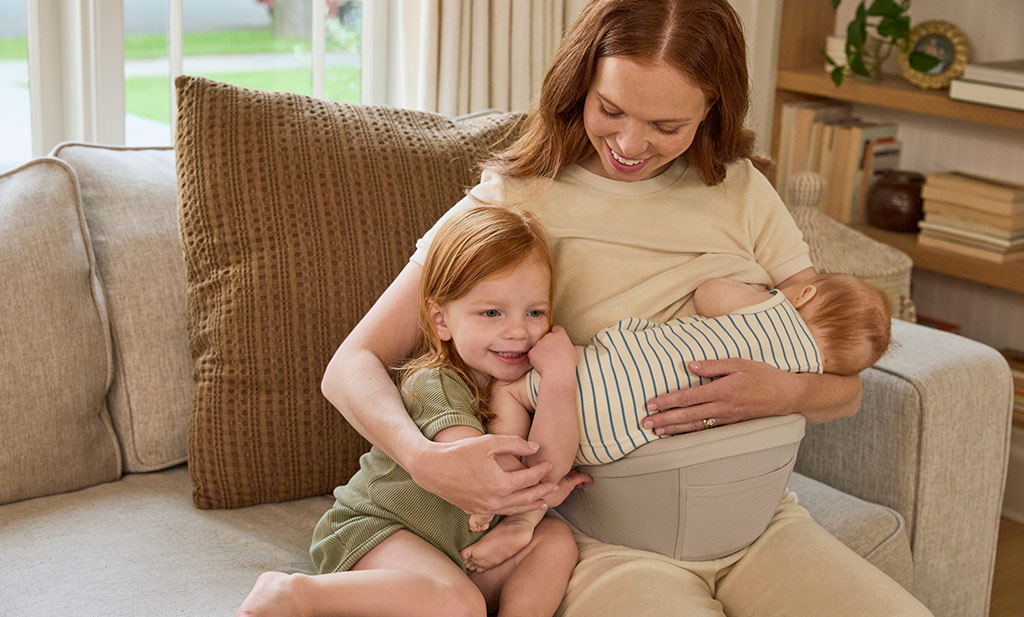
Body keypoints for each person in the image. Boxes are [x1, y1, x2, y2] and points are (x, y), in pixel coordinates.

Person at [321, 0, 934, 615]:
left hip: (764, 530)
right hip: (610, 545)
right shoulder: (512, 200)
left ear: (712, 109)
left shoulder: (743, 189)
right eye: (610, 109)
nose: (630, 144)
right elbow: (351, 364)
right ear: (580, 83)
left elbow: (845, 388)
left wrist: (784, 393)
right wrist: (427, 460)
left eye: (667, 126)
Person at [236, 205, 589, 617]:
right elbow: (498, 475)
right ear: (441, 321)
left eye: (535, 312)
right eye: (492, 313)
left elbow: (546, 468)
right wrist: (531, 505)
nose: (519, 331)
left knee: (557, 541)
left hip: (461, 552)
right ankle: (294, 593)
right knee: (459, 604)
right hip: (381, 531)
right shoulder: (434, 382)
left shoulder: (522, 382)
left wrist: (560, 380)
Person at [457, 272, 892, 569]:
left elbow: (709, 293)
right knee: (570, 446)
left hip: (599, 377)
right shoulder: (810, 372)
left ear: (806, 294)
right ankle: (526, 519)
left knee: (511, 389)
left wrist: (757, 290)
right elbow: (846, 393)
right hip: (633, 437)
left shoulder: (772, 307)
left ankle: (511, 487)